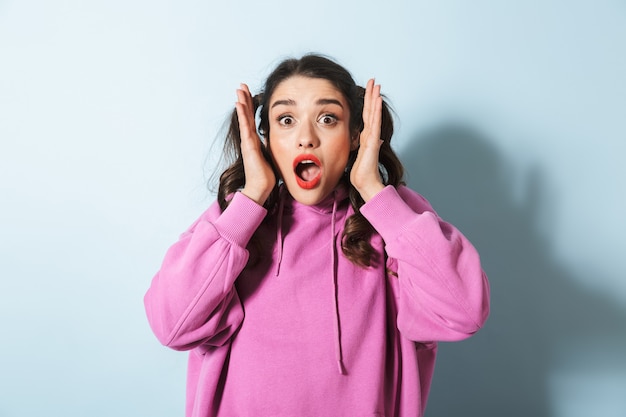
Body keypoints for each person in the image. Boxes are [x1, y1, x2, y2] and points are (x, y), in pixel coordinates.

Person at [144, 54, 490, 417]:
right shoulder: (233, 222)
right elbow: (172, 326)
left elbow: (464, 312)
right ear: (266, 139)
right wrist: (251, 199)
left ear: (356, 135)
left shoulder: (394, 220)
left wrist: (376, 194)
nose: (306, 138)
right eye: (286, 120)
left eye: (327, 119)